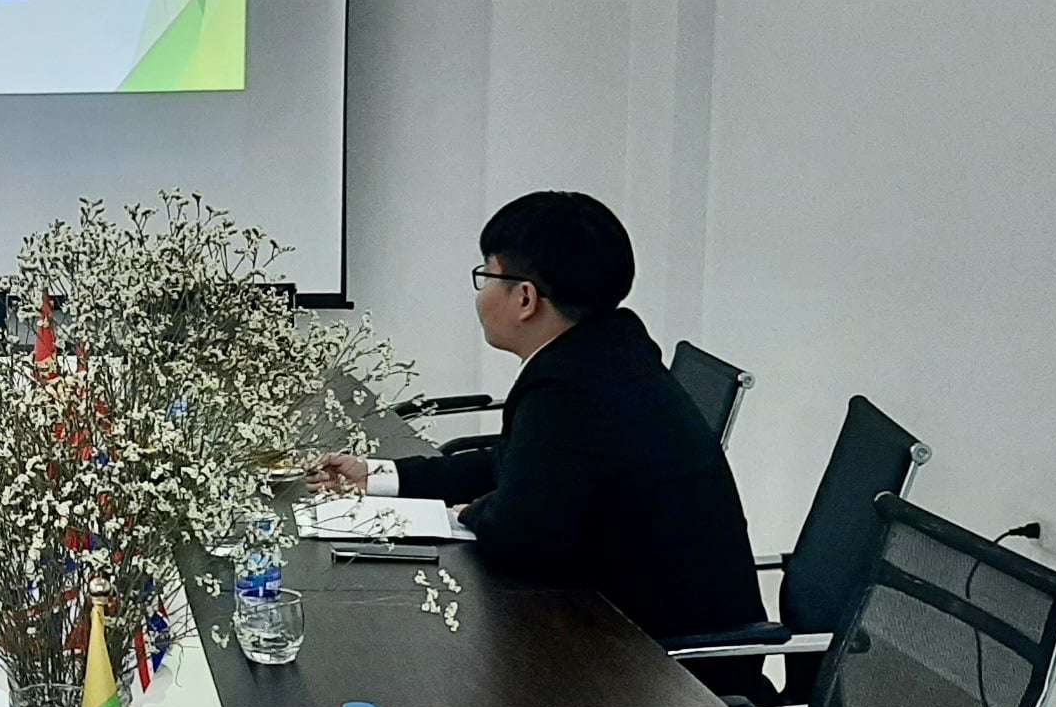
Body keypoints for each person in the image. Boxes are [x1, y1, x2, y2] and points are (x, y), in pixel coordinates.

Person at [316, 192, 767, 664]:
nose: (480, 295)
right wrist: (379, 476)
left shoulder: (570, 385)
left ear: (525, 298)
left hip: (667, 667)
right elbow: (515, 461)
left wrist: (474, 512)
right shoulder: (610, 350)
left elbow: (521, 538)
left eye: (486, 276)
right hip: (636, 622)